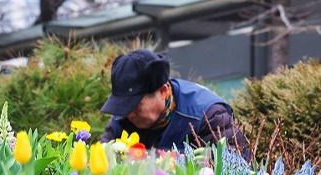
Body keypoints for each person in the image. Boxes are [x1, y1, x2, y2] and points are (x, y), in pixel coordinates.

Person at [100, 49, 247, 152]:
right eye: (123, 105)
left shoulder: (209, 116)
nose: (129, 114)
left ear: (163, 91)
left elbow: (231, 169)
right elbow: (103, 155)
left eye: (135, 104)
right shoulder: (123, 117)